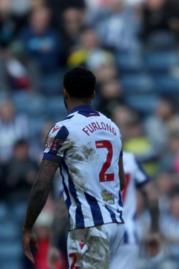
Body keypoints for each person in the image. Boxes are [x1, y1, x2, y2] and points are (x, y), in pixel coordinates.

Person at [22, 67, 125, 269]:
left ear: (65, 92)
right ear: (93, 93)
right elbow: (120, 180)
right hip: (117, 225)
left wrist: (27, 227)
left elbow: (42, 185)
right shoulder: (112, 127)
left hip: (89, 227)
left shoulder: (63, 129)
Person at [110, 151, 160, 269]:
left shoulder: (89, 158)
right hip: (127, 231)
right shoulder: (129, 159)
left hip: (97, 230)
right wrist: (154, 230)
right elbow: (151, 193)